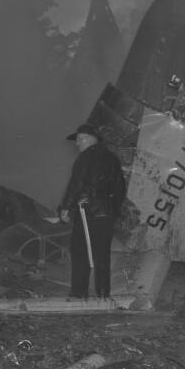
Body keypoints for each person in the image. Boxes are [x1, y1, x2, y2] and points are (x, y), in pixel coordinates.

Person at [58, 123, 125, 298]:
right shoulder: (113, 159)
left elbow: (77, 185)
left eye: (80, 139)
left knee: (80, 252)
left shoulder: (85, 158)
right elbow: (120, 189)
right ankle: (103, 294)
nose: (77, 143)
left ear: (90, 139)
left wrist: (66, 207)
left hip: (88, 212)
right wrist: (112, 209)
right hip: (107, 213)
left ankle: (79, 294)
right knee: (102, 254)